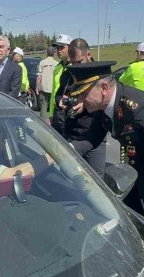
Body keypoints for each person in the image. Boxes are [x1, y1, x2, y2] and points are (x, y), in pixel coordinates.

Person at [68, 61, 144, 229]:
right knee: (134, 228)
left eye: (84, 94)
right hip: (135, 174)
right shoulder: (103, 106)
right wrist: (65, 150)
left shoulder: (141, 109)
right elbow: (92, 137)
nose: (80, 100)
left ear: (104, 88)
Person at [55, 39, 108, 176]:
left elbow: (107, 100)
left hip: (94, 135)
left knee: (96, 179)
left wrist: (86, 104)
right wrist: (60, 100)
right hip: (71, 133)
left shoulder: (101, 73)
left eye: (79, 62)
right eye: (72, 63)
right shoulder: (67, 74)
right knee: (70, 177)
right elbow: (59, 94)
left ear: (88, 54)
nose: (76, 67)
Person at [49, 34, 73, 119]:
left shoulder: (75, 67)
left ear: (70, 48)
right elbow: (53, 92)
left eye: (62, 47)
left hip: (69, 111)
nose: (59, 50)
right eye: (57, 48)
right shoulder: (57, 67)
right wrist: (51, 114)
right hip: (57, 110)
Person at [37, 47, 58, 122]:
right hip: (53, 88)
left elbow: (39, 76)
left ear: (46, 53)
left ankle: (43, 122)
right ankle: (53, 122)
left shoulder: (42, 63)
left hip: (44, 88)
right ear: (54, 54)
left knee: (43, 106)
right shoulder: (57, 64)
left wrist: (37, 87)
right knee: (54, 106)